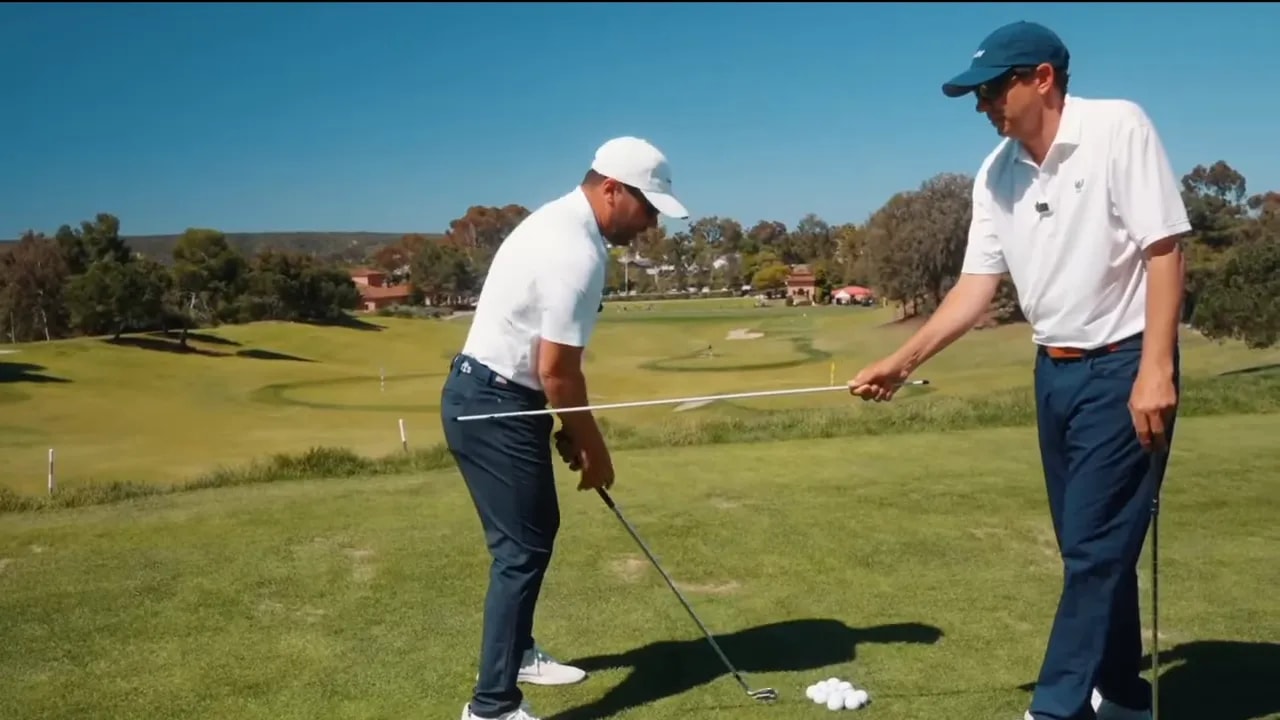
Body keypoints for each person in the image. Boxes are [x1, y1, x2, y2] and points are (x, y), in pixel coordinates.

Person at [847, 20, 1188, 720]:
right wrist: (902, 362)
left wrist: (1156, 369)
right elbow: (976, 289)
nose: (983, 106)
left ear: (1042, 77)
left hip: (1124, 361)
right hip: (1054, 372)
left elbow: (1164, 249)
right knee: (1091, 546)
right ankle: (1121, 693)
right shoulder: (996, 173)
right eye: (976, 95)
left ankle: (1056, 708)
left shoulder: (1118, 127)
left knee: (1094, 550)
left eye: (993, 88)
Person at [440, 136, 690, 720]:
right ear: (611, 189)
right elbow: (558, 372)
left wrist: (565, 428)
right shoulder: (575, 250)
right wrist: (593, 449)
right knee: (521, 550)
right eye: (648, 207)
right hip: (494, 401)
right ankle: (492, 707)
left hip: (499, 396)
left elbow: (545, 371)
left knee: (533, 532)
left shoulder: (555, 221)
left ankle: (518, 654)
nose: (652, 222)